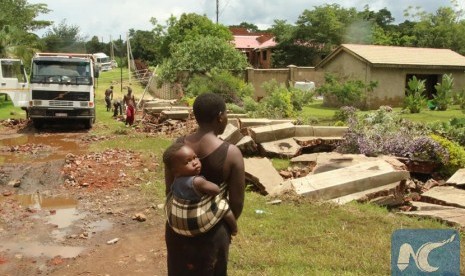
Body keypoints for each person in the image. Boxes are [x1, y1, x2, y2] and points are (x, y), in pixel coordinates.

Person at [164, 92, 245, 275]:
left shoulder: (176, 148)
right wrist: (224, 225)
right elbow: (237, 203)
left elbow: (169, 190)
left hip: (177, 231)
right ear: (220, 117)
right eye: (226, 114)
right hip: (214, 234)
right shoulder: (231, 153)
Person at [163, 142, 238, 236]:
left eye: (195, 157)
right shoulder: (197, 182)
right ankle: (234, 229)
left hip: (178, 224)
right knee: (224, 208)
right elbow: (216, 190)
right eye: (188, 162)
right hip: (194, 223)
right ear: (176, 172)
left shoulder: (177, 180)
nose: (194, 162)